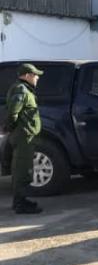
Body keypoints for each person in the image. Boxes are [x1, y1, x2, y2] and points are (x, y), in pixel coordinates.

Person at [4, 64, 44, 214]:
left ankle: (20, 201)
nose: (37, 77)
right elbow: (13, 113)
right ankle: (20, 204)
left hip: (25, 136)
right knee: (22, 170)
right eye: (35, 75)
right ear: (27, 75)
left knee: (23, 169)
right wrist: (10, 128)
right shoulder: (21, 89)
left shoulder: (24, 89)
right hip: (23, 137)